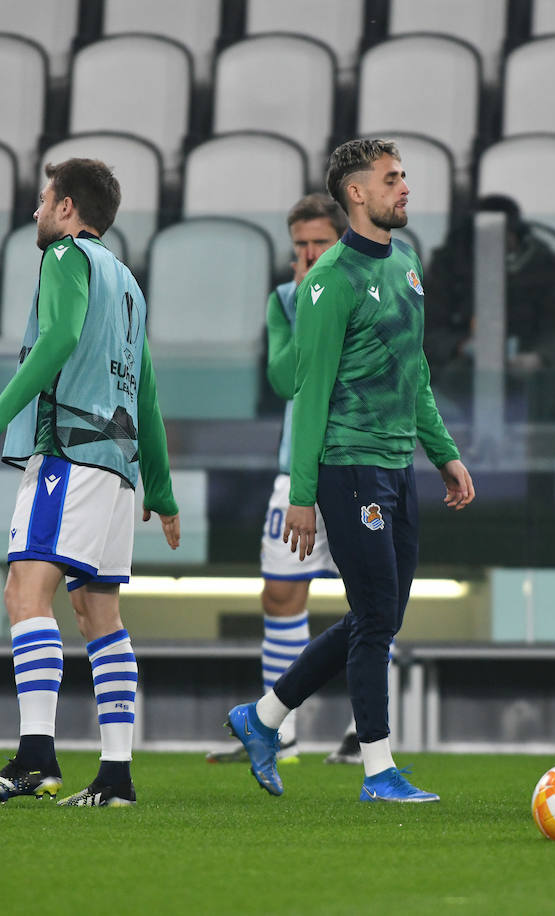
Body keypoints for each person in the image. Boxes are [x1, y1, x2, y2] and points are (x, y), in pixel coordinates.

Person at [223, 138, 475, 803]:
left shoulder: (408, 267)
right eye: (392, 179)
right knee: (374, 619)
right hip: (348, 466)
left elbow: (414, 375)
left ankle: (264, 716)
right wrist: (302, 495)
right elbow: (308, 392)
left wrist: (443, 452)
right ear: (356, 194)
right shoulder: (330, 280)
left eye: (403, 176)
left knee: (379, 615)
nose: (405, 188)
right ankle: (377, 769)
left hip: (397, 466)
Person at [0, 158, 181, 808]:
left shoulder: (64, 259)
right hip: (116, 470)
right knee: (99, 614)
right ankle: (115, 776)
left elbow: (57, 339)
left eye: (41, 201)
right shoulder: (129, 284)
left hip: (67, 455)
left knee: (25, 592)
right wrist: (160, 492)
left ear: (65, 209)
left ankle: (35, 758)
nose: (35, 212)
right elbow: (147, 395)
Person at [205, 192, 362, 767]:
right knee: (279, 595)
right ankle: (282, 731)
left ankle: (364, 731)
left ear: (341, 239)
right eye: (300, 245)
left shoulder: (368, 287)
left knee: (373, 600)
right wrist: (304, 305)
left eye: (319, 242)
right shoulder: (285, 301)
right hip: (295, 470)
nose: (309, 253)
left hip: (357, 465)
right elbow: (283, 379)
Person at [422, 194, 555, 422]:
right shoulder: (447, 264)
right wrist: (460, 346)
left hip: (526, 358)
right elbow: (427, 327)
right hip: (463, 362)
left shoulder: (543, 263)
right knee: (457, 378)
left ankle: (536, 451)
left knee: (544, 382)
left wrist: (540, 357)